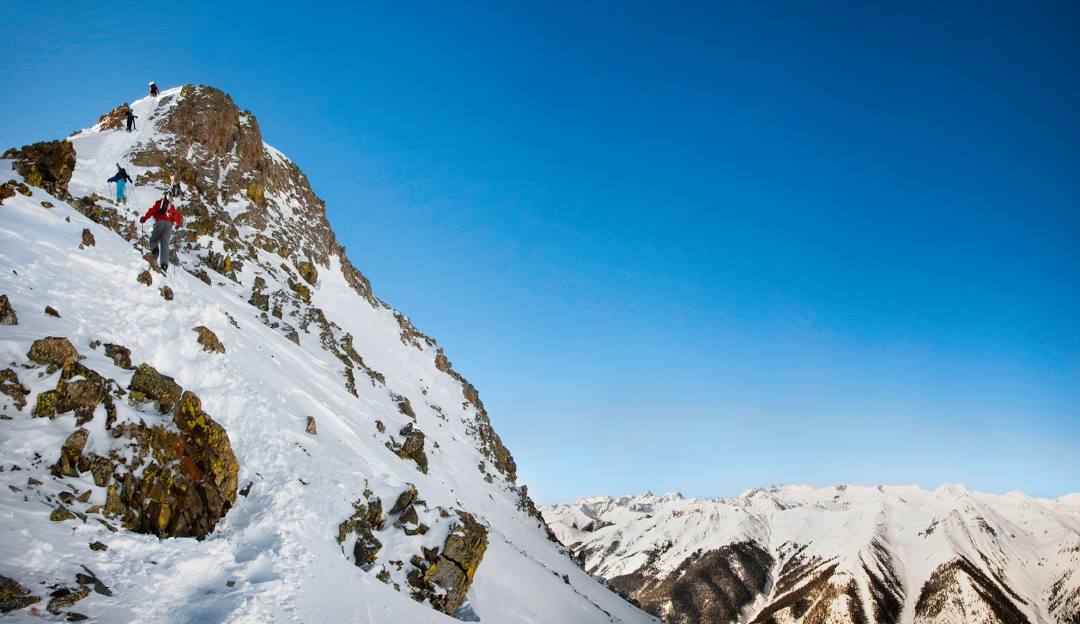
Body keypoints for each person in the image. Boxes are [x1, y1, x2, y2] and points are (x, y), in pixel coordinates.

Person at [140, 193, 182, 272]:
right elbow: (177, 216)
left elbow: (151, 211)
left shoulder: (159, 203)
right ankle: (164, 264)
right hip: (169, 226)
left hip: (160, 222)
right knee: (165, 244)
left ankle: (155, 251)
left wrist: (144, 218)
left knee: (153, 240)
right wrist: (177, 224)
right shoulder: (171, 206)